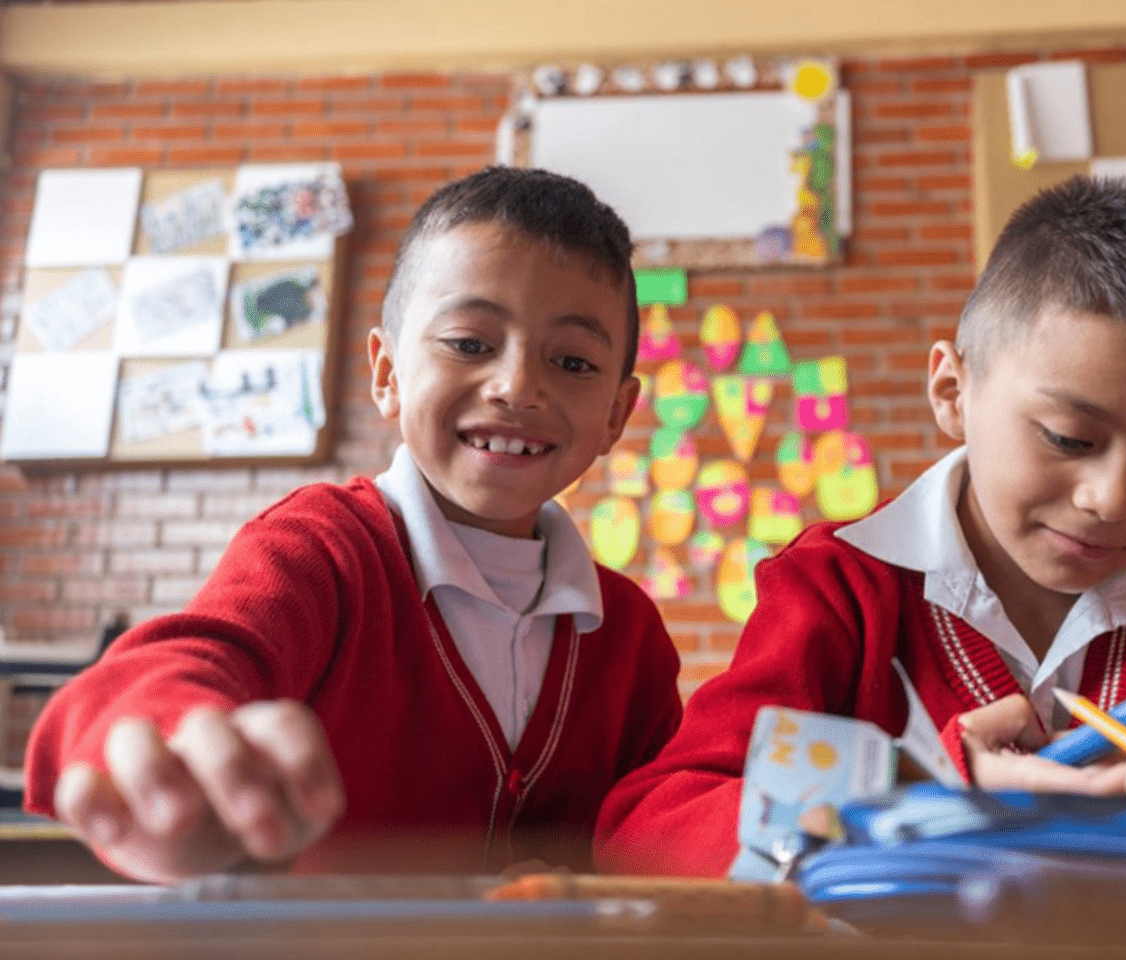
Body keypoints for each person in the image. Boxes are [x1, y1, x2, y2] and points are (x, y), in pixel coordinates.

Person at [595, 175, 1126, 878]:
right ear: (952, 393)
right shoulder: (840, 585)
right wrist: (916, 794)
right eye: (1070, 439)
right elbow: (650, 830)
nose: (1115, 500)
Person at [25, 166, 682, 882]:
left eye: (573, 361)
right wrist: (172, 744)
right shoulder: (322, 549)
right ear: (387, 374)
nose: (518, 385)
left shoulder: (630, 635)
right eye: (469, 342)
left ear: (617, 415)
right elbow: (169, 668)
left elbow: (655, 827)